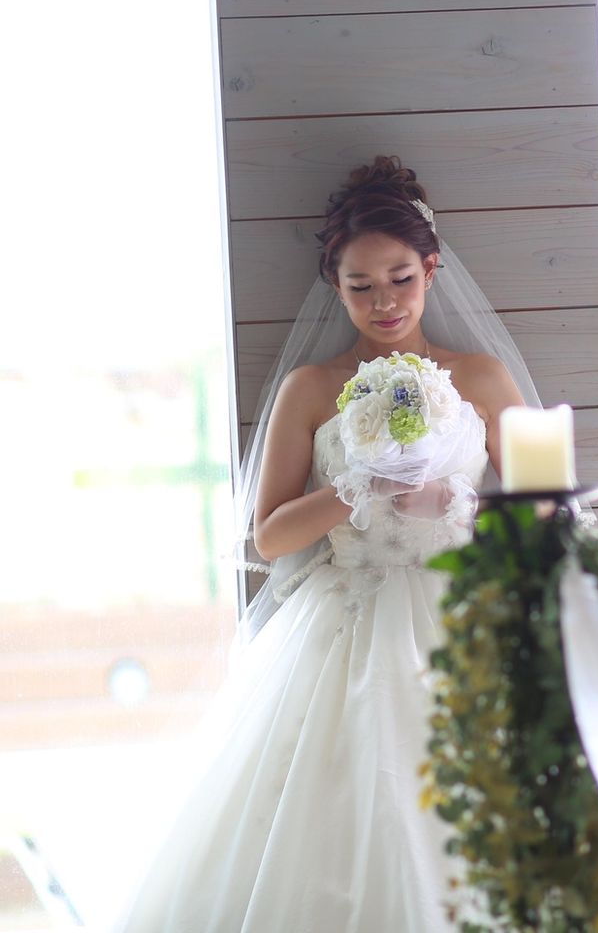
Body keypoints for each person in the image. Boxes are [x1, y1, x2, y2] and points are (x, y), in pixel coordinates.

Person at [112, 157, 533, 932]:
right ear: (334, 287)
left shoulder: (481, 377)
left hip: (466, 615)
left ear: (431, 269)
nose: (384, 302)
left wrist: (459, 504)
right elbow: (271, 536)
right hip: (346, 618)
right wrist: (357, 489)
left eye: (399, 278)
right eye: (361, 285)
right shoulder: (310, 387)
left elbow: (544, 521)